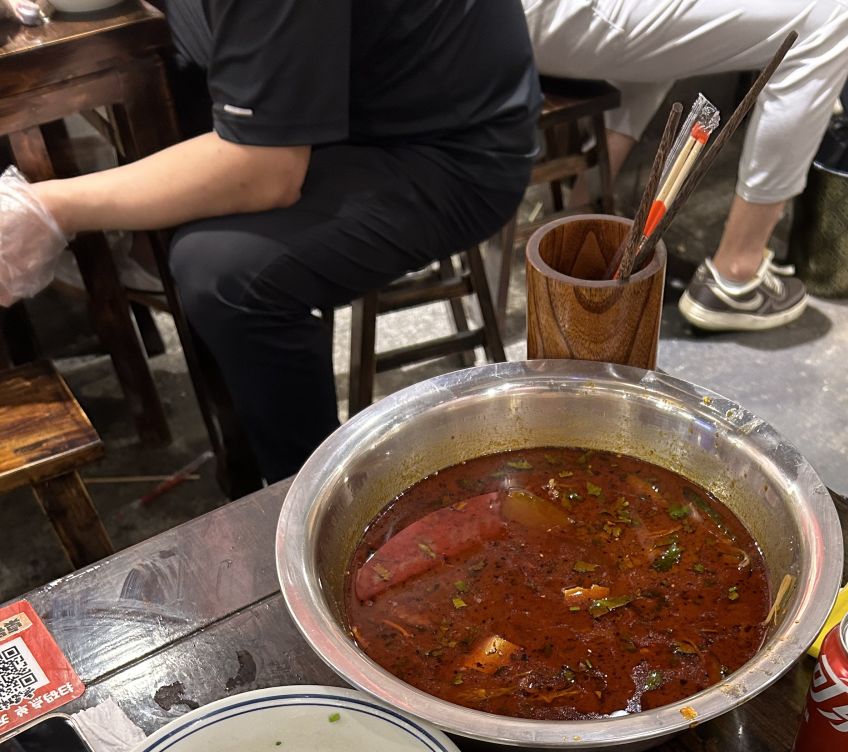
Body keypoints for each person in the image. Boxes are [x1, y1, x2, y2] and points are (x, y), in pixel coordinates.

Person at [0, 0, 540, 484]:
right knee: (173, 49)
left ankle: (309, 498)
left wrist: (48, 208)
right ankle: (152, 245)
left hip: (451, 147)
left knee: (221, 271)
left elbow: (265, 172)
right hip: (359, 91)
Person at [524, 0, 848, 331]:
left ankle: (582, 226)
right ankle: (737, 274)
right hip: (532, 18)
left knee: (671, 43)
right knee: (836, 14)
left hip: (503, 20)